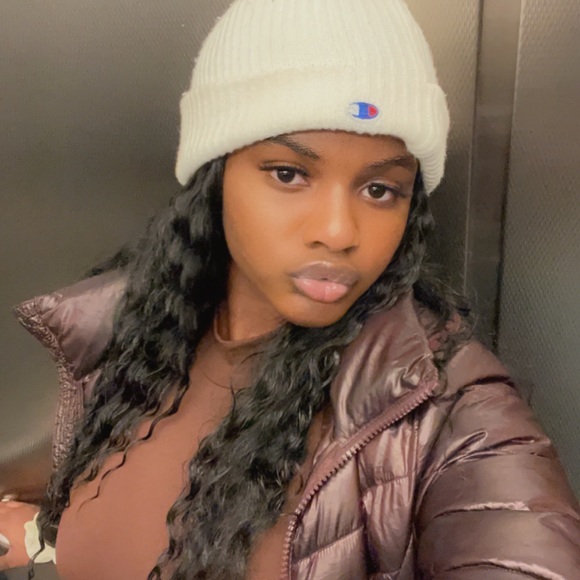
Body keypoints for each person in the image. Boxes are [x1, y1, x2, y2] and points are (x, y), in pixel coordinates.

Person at [1, 0, 579, 578]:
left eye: (380, 189)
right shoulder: (132, 337)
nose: (338, 231)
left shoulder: (452, 413)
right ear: (215, 177)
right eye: (289, 174)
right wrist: (48, 535)